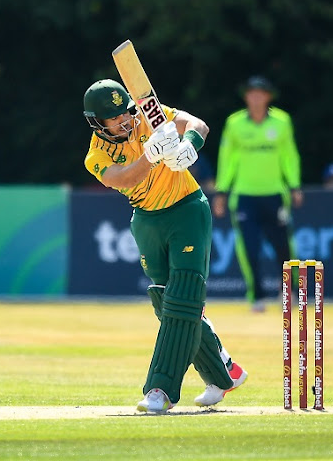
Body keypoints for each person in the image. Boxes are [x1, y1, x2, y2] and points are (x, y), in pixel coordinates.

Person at [81, 79, 247, 413]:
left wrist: (190, 145)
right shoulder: (95, 154)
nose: (125, 121)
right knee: (164, 301)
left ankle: (161, 389)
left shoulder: (148, 114)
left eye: (125, 113)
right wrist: (151, 157)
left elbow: (198, 124)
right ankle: (224, 372)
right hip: (146, 219)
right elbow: (123, 178)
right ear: (98, 123)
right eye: (114, 118)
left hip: (187, 208)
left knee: (184, 296)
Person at [212, 75, 303, 313]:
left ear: (268, 97)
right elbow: (227, 159)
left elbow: (289, 156)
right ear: (246, 97)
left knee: (283, 246)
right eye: (251, 93)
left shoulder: (282, 122)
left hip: (274, 194)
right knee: (249, 248)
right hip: (244, 196)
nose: (255, 97)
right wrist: (222, 191)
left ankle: (289, 290)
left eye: (260, 93)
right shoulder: (235, 124)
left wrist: (294, 186)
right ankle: (257, 295)